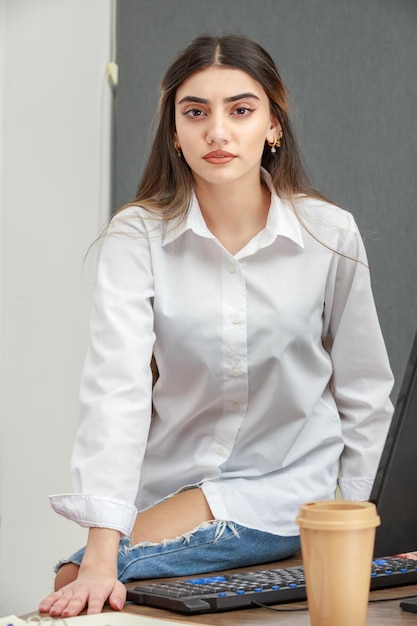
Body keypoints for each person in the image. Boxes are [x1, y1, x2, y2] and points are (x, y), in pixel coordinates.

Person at [39, 34, 394, 617]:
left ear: (273, 125)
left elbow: (365, 391)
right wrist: (100, 549)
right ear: (175, 131)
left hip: (291, 493)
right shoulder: (138, 235)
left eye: (241, 110)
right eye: (196, 112)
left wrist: (358, 527)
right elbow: (116, 389)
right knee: (84, 571)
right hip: (175, 490)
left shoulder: (329, 233)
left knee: (86, 571)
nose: (218, 132)